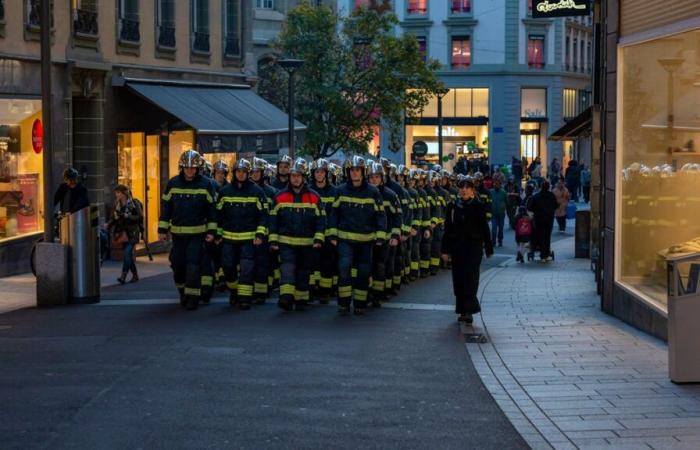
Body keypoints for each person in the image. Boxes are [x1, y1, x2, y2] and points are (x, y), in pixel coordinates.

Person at [158, 150, 218, 310]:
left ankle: (193, 297)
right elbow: (166, 207)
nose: (190, 170)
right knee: (177, 263)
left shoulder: (206, 184)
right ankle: (183, 290)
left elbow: (212, 211)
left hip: (197, 234)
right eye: (187, 167)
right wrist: (162, 229)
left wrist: (212, 232)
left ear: (198, 168)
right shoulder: (173, 183)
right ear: (182, 168)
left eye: (193, 168)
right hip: (177, 235)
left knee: (193, 265)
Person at [327, 156, 387, 315]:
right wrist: (332, 235)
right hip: (344, 239)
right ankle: (344, 304)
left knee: (363, 272)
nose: (355, 173)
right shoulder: (340, 190)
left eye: (357, 170)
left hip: (366, 240)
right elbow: (333, 214)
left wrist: (380, 235)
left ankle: (360, 303)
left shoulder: (373, 192)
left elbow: (380, 215)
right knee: (344, 269)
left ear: (363, 172)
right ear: (348, 172)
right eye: (352, 170)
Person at [269, 158, 325, 312]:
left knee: (303, 271)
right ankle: (286, 298)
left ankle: (301, 299)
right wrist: (273, 240)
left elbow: (321, 220)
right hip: (286, 242)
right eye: (293, 175)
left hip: (307, 243)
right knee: (287, 268)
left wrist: (319, 238)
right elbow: (273, 220)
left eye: (298, 176)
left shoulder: (314, 197)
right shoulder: (279, 197)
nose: (295, 178)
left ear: (304, 177)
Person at [216, 159, 269, 310]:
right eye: (238, 171)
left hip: (249, 238)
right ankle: (234, 290)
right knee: (228, 267)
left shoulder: (257, 192)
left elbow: (263, 216)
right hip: (228, 238)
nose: (241, 174)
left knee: (247, 268)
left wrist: (259, 235)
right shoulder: (224, 192)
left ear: (248, 174)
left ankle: (245, 298)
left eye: (244, 172)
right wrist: (218, 234)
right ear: (234, 173)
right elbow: (218, 215)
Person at [441, 177, 493, 324]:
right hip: (457, 248)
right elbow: (448, 229)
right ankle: (462, 310)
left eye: (467, 187)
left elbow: (484, 228)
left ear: (472, 190)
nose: (464, 190)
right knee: (458, 279)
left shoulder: (478, 206)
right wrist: (445, 250)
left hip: (473, 248)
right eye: (462, 187)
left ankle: (469, 310)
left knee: (471, 279)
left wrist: (488, 248)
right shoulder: (452, 206)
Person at [367, 162, 401, 306]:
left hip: (385, 238)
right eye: (371, 177)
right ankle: (366, 294)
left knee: (380, 266)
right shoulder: (364, 193)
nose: (374, 180)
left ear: (382, 178)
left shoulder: (390, 195)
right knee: (365, 267)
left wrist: (394, 235)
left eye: (377, 177)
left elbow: (397, 216)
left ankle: (378, 295)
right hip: (366, 238)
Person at [310, 158, 338, 302]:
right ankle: (313, 287)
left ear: (326, 174)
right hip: (312, 234)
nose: (319, 175)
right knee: (313, 262)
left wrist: (334, 235)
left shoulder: (334, 191)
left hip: (329, 234)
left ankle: (325, 291)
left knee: (327, 262)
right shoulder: (308, 190)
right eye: (317, 172)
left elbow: (336, 214)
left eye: (322, 172)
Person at [250, 157, 278, 303]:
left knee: (263, 263)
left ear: (263, 173)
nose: (255, 174)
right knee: (249, 263)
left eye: (258, 172)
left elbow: (274, 215)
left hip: (266, 233)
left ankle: (262, 292)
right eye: (253, 172)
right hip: (248, 232)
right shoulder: (246, 190)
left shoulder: (272, 192)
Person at [108, 185, 143, 284]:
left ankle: (123, 275)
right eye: (116, 193)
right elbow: (113, 218)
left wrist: (128, 216)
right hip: (123, 233)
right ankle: (135, 275)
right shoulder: (117, 204)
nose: (116, 195)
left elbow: (140, 217)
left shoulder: (133, 203)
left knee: (127, 253)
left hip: (133, 232)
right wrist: (109, 224)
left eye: (118, 192)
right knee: (128, 255)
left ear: (124, 193)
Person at [527, 180, 558, 261]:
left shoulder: (536, 196)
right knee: (547, 236)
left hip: (539, 219)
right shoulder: (551, 196)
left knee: (540, 236)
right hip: (549, 219)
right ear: (548, 187)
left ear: (541, 187)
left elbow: (530, 207)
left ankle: (542, 254)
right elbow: (556, 205)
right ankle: (546, 254)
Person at [490, 179, 507, 247]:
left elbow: (506, 201)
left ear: (500, 185)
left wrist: (505, 208)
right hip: (493, 213)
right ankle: (493, 241)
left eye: (497, 184)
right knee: (494, 228)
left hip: (501, 213)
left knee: (500, 228)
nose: (496, 185)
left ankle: (500, 240)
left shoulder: (503, 192)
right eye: (495, 184)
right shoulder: (491, 192)